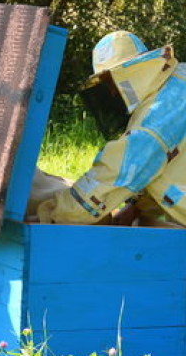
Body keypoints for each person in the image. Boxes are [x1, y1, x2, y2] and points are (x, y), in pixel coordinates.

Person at [37, 30, 186, 227]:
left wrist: (56, 214)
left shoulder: (160, 111)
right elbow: (172, 165)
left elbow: (119, 169)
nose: (112, 93)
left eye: (110, 83)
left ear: (128, 75)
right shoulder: (175, 82)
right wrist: (135, 209)